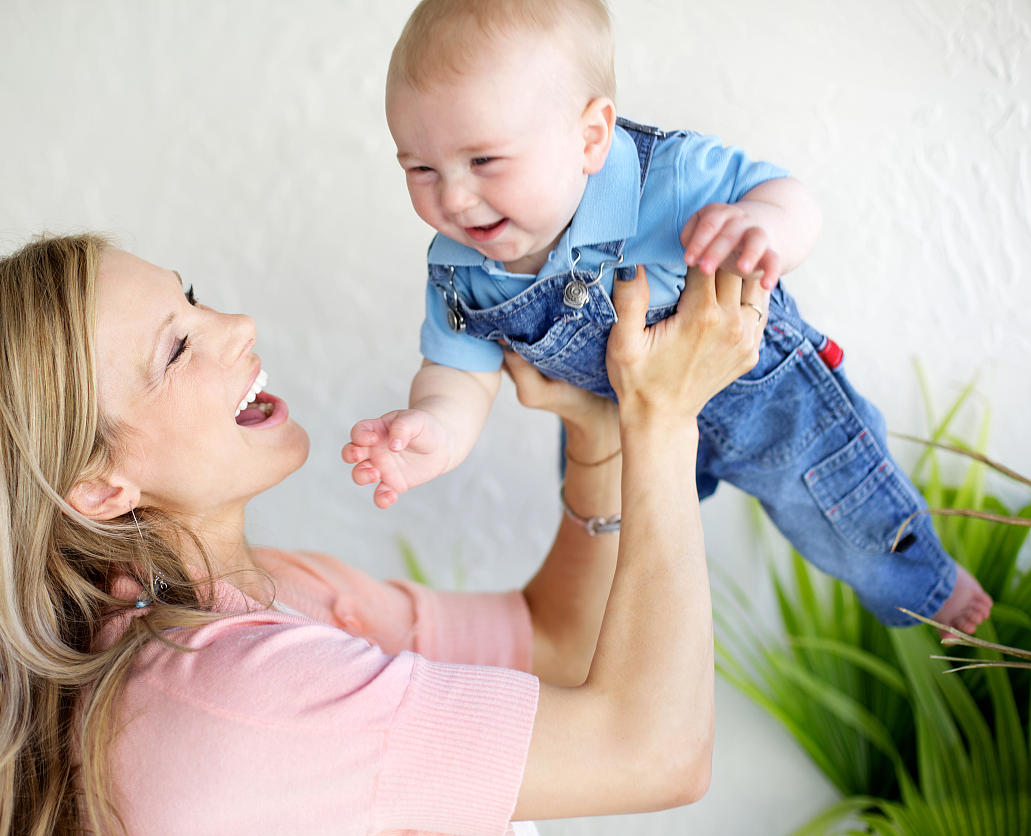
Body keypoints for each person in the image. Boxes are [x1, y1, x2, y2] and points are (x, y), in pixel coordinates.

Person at [0, 233, 764, 835]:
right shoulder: (238, 691)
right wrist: (664, 420)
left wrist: (599, 439)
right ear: (97, 486)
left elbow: (553, 642)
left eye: (193, 298)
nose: (236, 326)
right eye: (177, 347)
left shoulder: (261, 599)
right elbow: (656, 753)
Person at [344, 0, 992, 633]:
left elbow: (792, 199)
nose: (455, 198)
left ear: (590, 138)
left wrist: (764, 224)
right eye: (421, 168)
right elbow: (458, 370)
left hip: (766, 397)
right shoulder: (462, 268)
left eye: (483, 160)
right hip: (621, 416)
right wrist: (437, 429)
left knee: (842, 516)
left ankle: (932, 584)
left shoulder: (672, 179)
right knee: (613, 555)